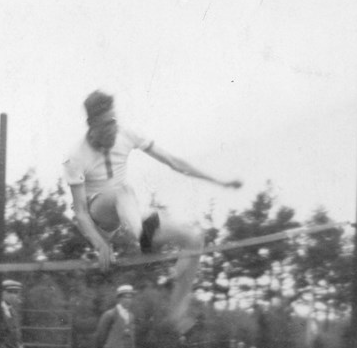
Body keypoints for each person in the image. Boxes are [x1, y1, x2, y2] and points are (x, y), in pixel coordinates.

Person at [63, 90, 242, 333]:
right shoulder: (76, 156)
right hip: (100, 217)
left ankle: (176, 315)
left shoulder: (126, 135)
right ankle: (143, 237)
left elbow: (173, 162)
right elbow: (81, 213)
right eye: (106, 126)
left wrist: (218, 181)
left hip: (130, 215)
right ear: (91, 125)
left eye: (114, 122)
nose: (112, 131)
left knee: (193, 238)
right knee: (122, 190)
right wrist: (99, 244)